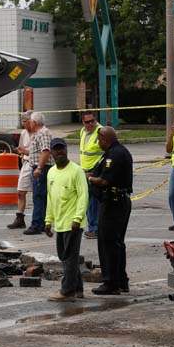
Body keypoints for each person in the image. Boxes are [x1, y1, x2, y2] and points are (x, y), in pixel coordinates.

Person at [87, 126, 134, 295]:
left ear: (105, 139)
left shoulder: (115, 155)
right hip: (116, 202)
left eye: (99, 140)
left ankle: (111, 283)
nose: (98, 143)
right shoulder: (112, 152)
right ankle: (121, 281)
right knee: (116, 244)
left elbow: (105, 181)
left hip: (114, 203)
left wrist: (91, 178)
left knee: (108, 244)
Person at [44, 138, 88, 302]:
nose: (60, 152)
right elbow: (50, 198)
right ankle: (78, 288)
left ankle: (67, 290)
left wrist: (78, 218)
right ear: (52, 153)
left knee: (69, 257)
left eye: (62, 148)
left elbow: (84, 196)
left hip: (73, 223)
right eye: (56, 149)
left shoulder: (76, 171)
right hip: (60, 223)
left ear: (67, 149)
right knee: (66, 256)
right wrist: (48, 220)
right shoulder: (51, 172)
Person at [24, 111, 53, 235]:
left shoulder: (43, 133)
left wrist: (39, 168)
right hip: (38, 167)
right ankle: (41, 224)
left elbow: (45, 151)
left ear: (34, 122)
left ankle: (37, 225)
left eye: (29, 121)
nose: (28, 123)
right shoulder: (38, 133)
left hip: (42, 169)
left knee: (39, 197)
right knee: (41, 197)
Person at [7, 111, 34, 229]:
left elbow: (41, 152)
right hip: (26, 163)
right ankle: (20, 218)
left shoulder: (39, 133)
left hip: (35, 163)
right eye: (22, 121)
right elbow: (21, 148)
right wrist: (20, 152)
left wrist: (25, 151)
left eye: (25, 121)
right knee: (21, 191)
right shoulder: (24, 133)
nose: (24, 124)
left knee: (39, 194)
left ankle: (40, 219)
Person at [79, 110, 103, 239]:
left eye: (92, 121)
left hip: (95, 170)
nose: (90, 124)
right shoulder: (83, 131)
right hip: (85, 170)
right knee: (88, 201)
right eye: (87, 122)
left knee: (94, 202)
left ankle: (95, 228)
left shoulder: (101, 132)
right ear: (83, 122)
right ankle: (93, 227)